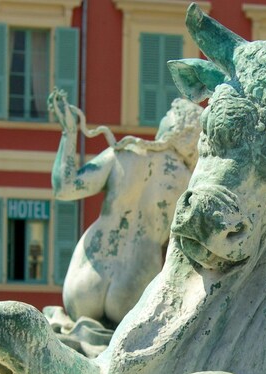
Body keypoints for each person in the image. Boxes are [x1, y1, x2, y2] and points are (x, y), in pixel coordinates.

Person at [49, 90, 202, 326]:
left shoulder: (125, 154)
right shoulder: (190, 185)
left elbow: (65, 188)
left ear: (174, 124)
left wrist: (69, 132)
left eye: (167, 115)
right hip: (134, 287)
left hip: (86, 279)